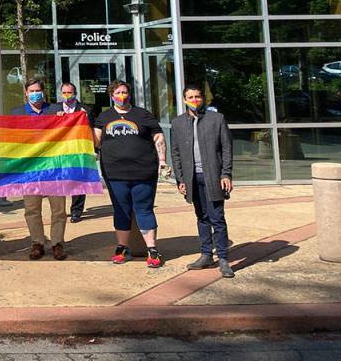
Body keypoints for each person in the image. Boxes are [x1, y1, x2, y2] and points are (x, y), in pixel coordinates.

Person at [93, 80, 167, 268]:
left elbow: (158, 137)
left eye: (124, 92)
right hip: (114, 173)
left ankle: (152, 249)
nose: (122, 95)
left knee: (144, 208)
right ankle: (122, 247)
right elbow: (96, 141)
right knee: (121, 209)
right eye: (118, 92)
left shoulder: (143, 115)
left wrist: (163, 160)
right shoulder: (104, 117)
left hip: (143, 171)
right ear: (111, 95)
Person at [170, 85, 235, 278]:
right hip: (192, 178)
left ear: (203, 98)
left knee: (217, 218)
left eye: (198, 96)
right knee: (201, 217)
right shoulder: (178, 123)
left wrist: (226, 174)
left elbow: (226, 148)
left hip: (213, 177)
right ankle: (206, 254)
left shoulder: (217, 119)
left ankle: (223, 258)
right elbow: (176, 153)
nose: (194, 100)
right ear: (184, 100)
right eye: (190, 97)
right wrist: (180, 179)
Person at [11, 78, 67, 261]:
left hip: (53, 168)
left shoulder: (55, 110)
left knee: (58, 209)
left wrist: (65, 119)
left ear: (43, 92)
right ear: (26, 93)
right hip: (30, 169)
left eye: (38, 90)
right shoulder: (16, 113)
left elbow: (69, 129)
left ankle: (57, 243)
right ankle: (37, 243)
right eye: (31, 90)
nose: (35, 93)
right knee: (32, 209)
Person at [54, 82, 95, 224]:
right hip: (60, 150)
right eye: (64, 92)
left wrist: (94, 150)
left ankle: (76, 212)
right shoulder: (54, 109)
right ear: (60, 94)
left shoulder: (86, 110)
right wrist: (56, 119)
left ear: (75, 93)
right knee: (60, 180)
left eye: (69, 92)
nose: (67, 95)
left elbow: (91, 130)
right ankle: (59, 211)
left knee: (78, 180)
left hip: (79, 150)